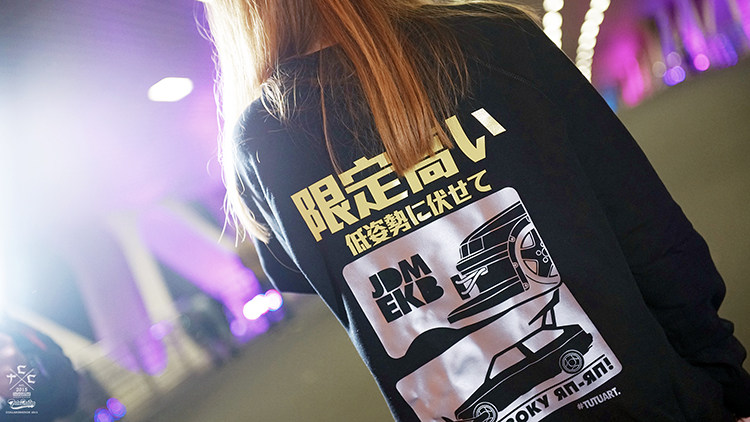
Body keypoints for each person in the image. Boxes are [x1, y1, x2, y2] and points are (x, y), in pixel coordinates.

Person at [202, 0, 750, 420]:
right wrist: (724, 381)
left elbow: (294, 274)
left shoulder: (256, 146)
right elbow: (651, 236)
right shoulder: (497, 41)